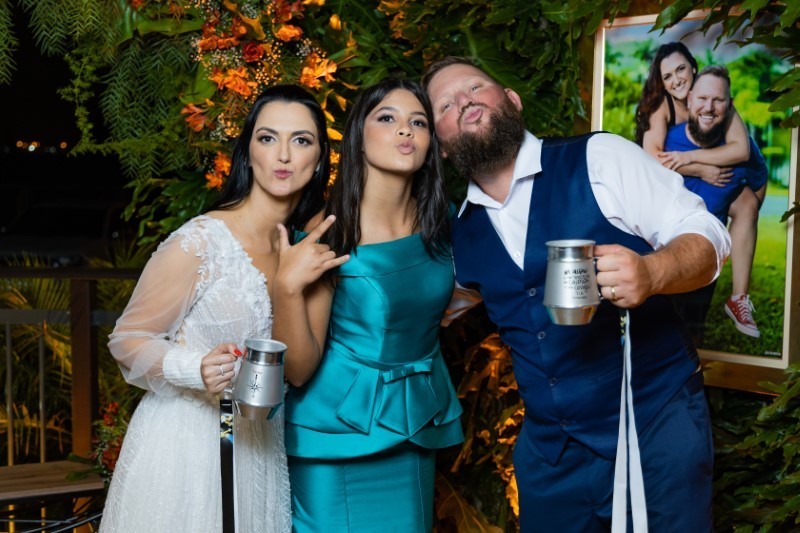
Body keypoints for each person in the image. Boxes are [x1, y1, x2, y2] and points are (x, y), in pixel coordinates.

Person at [422, 56, 730, 532]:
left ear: (512, 100)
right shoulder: (460, 236)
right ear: (440, 146)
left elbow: (708, 234)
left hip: (655, 426)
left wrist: (653, 271)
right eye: (445, 104)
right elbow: (422, 313)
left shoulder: (599, 158)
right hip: (553, 457)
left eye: (475, 87)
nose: (463, 102)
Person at [100, 84, 334, 533]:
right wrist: (194, 368)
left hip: (259, 449)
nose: (284, 155)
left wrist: (291, 284)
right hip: (184, 449)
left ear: (320, 158)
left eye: (301, 140)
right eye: (268, 138)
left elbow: (301, 371)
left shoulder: (309, 252)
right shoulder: (201, 241)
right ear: (248, 152)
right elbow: (126, 339)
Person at [271, 77, 464, 532]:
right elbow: (297, 370)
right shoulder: (328, 231)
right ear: (358, 135)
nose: (405, 130)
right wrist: (286, 289)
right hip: (334, 435)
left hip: (415, 426)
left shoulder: (444, 221)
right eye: (387, 118)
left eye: (418, 122)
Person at [634, 42, 765, 338]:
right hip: (671, 185)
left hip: (714, 183)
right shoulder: (663, 107)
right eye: (667, 76)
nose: (676, 80)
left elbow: (742, 150)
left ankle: (738, 298)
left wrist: (693, 158)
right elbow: (651, 159)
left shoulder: (714, 97)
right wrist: (699, 169)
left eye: (681, 69)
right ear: (662, 83)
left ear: (693, 68)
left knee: (746, 204)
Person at [665, 65, 768, 341]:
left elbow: (758, 185)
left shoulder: (742, 150)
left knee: (692, 335)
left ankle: (738, 299)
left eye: (718, 100)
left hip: (706, 255)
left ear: (729, 105)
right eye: (702, 98)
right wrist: (695, 167)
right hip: (665, 249)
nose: (709, 107)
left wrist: (741, 224)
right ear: (689, 99)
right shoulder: (668, 139)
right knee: (655, 332)